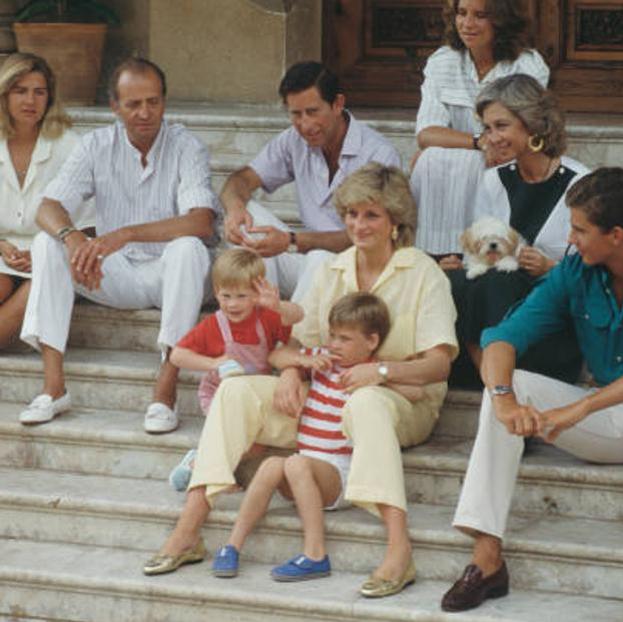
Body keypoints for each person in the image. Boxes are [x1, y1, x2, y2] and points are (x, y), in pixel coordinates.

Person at [144, 163, 458, 599]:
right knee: (236, 389)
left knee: (364, 402)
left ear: (396, 222)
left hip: (401, 401)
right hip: (325, 398)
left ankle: (399, 549)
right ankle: (189, 528)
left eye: (371, 215)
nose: (357, 224)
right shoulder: (335, 268)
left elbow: (439, 365)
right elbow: (297, 341)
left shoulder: (424, 273)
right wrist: (291, 371)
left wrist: (379, 371)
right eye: (351, 214)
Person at [441, 167, 623, 612]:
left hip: (599, 406)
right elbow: (504, 337)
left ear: (615, 234)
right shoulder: (577, 271)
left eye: (579, 229)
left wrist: (578, 409)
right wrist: (503, 399)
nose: (570, 240)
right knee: (512, 381)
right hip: (613, 419)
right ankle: (486, 558)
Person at [17, 57, 220, 432]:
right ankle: (53, 386)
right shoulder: (96, 144)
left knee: (188, 247)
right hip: (116, 274)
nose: (145, 113)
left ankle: (166, 388)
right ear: (114, 106)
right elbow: (48, 207)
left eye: (153, 102)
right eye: (133, 104)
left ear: (164, 101)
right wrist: (74, 238)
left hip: (174, 275)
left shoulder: (186, 146)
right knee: (47, 244)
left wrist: (126, 233)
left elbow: (201, 221)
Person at [209, 292, 392, 582]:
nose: (335, 344)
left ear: (371, 341)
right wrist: (299, 363)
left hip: (338, 476)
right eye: (332, 336)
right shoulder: (324, 358)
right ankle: (232, 546)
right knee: (271, 465)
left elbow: (413, 390)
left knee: (294, 463)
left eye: (345, 339)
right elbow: (275, 355)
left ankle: (316, 554)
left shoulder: (370, 371)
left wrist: (383, 377)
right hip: (304, 467)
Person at [444, 74, 588, 386]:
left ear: (533, 124)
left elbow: (595, 273)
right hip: (495, 312)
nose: (491, 138)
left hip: (549, 322)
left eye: (501, 126)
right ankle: (489, 378)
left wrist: (550, 268)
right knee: (451, 277)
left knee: (500, 282)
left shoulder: (580, 184)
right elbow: (479, 248)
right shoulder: (492, 180)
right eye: (486, 128)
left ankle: (498, 383)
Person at [221, 61, 401, 302]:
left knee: (320, 260)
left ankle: (294, 337)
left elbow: (375, 233)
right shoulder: (293, 140)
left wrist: (293, 241)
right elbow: (240, 179)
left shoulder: (378, 153)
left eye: (313, 112)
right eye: (296, 114)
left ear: (338, 104)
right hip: (306, 261)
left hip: (357, 270)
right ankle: (258, 325)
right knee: (248, 217)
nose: (305, 125)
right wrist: (235, 209)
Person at [411, 0, 550, 255]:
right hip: (474, 157)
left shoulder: (527, 65)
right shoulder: (441, 62)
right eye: (462, 13)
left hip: (508, 161)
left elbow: (523, 136)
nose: (467, 24)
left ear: (501, 20)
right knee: (428, 159)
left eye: (480, 15)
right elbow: (427, 134)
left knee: (432, 159)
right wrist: (480, 142)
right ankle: (438, 255)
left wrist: (451, 145)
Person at [167, 247, 303, 491]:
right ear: (216, 292)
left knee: (257, 444)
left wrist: (278, 306)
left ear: (257, 292)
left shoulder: (267, 316)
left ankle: (205, 462)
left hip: (254, 394)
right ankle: (206, 467)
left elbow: (298, 316)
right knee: (233, 436)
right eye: (225, 295)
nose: (232, 304)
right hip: (219, 394)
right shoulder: (213, 325)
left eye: (242, 296)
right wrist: (213, 363)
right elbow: (177, 355)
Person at [0, 52, 94, 349]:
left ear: (50, 97)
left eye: (39, 92)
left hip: (52, 254)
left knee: (36, 287)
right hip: (3, 252)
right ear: (4, 95)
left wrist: (40, 251)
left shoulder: (70, 146)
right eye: (20, 91)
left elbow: (89, 226)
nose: (30, 101)